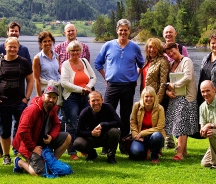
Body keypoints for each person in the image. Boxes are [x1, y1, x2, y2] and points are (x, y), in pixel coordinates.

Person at [95, 18, 144, 154]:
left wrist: (135, 77)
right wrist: (105, 77)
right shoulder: (108, 45)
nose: (123, 32)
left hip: (128, 86)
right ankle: (106, 146)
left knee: (125, 116)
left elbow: (141, 65)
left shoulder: (134, 47)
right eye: (121, 30)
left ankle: (123, 145)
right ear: (117, 31)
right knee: (106, 115)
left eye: (126, 30)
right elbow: (98, 63)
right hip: (112, 86)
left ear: (129, 31)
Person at [0, 21, 33, 159]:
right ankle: (5, 154)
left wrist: (26, 98)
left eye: (15, 47)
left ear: (18, 47)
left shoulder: (24, 60)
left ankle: (17, 150)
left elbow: (30, 80)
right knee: (4, 130)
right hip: (3, 101)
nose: (12, 49)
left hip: (19, 101)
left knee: (21, 127)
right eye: (10, 47)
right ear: (5, 47)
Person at [12, 85, 71, 176]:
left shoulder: (52, 108)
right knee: (39, 173)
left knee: (67, 137)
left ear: (56, 99)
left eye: (54, 97)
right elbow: (23, 130)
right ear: (43, 96)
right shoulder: (33, 109)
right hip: (28, 145)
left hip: (43, 142)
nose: (51, 100)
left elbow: (57, 125)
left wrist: (51, 136)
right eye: (49, 97)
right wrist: (33, 148)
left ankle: (50, 163)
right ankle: (19, 162)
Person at [61, 40, 96, 160]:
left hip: (85, 96)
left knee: (85, 122)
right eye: (72, 50)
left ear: (80, 51)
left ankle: (83, 148)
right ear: (68, 52)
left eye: (77, 50)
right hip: (71, 97)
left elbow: (93, 77)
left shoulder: (85, 61)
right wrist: (81, 89)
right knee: (72, 123)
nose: (75, 52)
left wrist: (88, 87)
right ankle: (72, 151)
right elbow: (64, 83)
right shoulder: (66, 64)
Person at [163, 42, 199, 161]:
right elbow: (168, 83)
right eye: (168, 53)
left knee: (181, 125)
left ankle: (179, 154)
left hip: (186, 97)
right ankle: (184, 151)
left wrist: (173, 86)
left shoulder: (186, 61)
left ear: (177, 48)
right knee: (177, 123)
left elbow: (188, 77)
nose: (171, 54)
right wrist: (168, 92)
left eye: (172, 51)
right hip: (175, 98)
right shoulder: (172, 63)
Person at [73, 91, 121, 164]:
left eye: (98, 100)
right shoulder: (84, 112)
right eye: (93, 101)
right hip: (92, 138)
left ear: (102, 100)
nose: (96, 103)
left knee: (115, 131)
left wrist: (102, 124)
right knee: (77, 143)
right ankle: (92, 154)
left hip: (106, 137)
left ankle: (111, 156)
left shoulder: (108, 107)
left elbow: (119, 122)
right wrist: (91, 133)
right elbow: (79, 131)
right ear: (89, 102)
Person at [163, 25, 189, 149]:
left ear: (175, 34)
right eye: (166, 33)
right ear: (163, 35)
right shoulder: (161, 49)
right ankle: (168, 140)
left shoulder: (182, 48)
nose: (168, 35)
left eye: (171, 32)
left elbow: (186, 69)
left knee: (179, 115)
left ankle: (181, 146)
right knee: (167, 113)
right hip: (165, 86)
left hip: (179, 87)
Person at [129, 86, 166, 164]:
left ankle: (154, 156)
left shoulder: (160, 108)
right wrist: (135, 135)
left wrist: (142, 133)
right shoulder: (137, 106)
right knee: (136, 153)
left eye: (151, 96)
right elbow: (133, 122)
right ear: (142, 97)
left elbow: (160, 127)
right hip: (140, 137)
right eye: (146, 96)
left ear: (154, 97)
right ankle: (145, 150)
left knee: (157, 136)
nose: (149, 99)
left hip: (154, 136)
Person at [141, 38, 169, 104]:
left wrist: (157, 101)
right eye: (150, 47)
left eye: (155, 47)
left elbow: (163, 83)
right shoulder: (147, 60)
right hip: (145, 97)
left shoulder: (162, 61)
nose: (152, 50)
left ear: (159, 49)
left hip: (154, 99)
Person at [33, 31, 60, 96]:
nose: (47, 43)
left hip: (57, 89)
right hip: (45, 91)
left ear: (52, 42)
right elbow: (37, 80)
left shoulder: (56, 56)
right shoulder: (37, 58)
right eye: (45, 41)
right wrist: (39, 96)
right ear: (41, 43)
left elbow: (58, 73)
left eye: (49, 41)